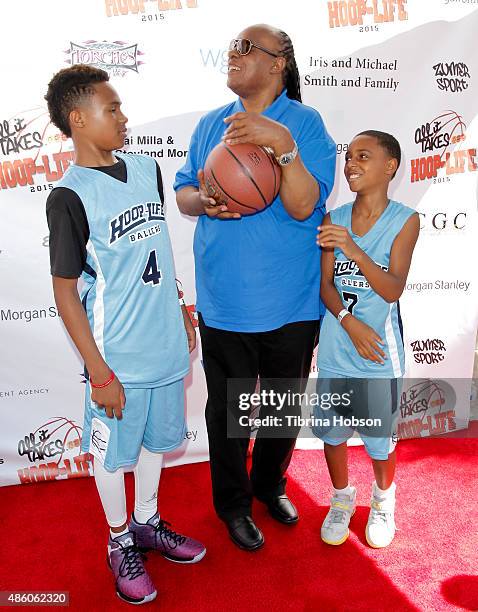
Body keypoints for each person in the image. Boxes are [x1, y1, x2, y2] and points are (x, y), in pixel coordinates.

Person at [45, 65, 205, 605]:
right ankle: (119, 541)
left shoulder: (146, 168)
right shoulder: (68, 197)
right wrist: (98, 371)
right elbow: (67, 291)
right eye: (111, 109)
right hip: (118, 357)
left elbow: (158, 249)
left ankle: (147, 521)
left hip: (165, 345)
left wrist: (181, 307)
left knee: (160, 443)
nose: (123, 117)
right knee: (112, 457)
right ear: (78, 119)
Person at [174, 24, 336, 551]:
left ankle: (269, 485)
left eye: (247, 47)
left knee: (283, 405)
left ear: (278, 63)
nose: (234, 54)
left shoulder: (305, 124)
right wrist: (207, 200)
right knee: (227, 413)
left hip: (291, 297)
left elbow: (301, 204)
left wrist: (284, 149)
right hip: (224, 299)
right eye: (233, 47)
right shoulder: (210, 124)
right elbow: (184, 193)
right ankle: (234, 505)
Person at [314, 130, 420, 548]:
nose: (351, 164)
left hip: (378, 355)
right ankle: (341, 499)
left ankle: (382, 499)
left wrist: (355, 251)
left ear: (389, 167)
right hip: (339, 346)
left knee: (379, 441)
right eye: (349, 157)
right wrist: (346, 319)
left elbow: (393, 288)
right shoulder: (332, 218)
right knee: (333, 435)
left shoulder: (405, 219)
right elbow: (325, 285)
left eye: (363, 156)